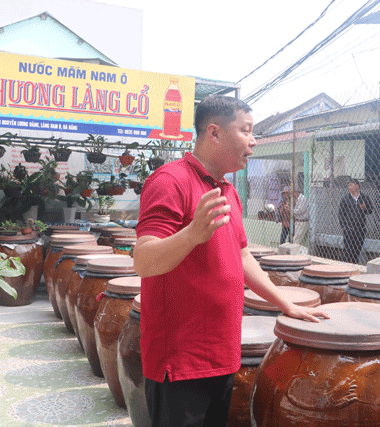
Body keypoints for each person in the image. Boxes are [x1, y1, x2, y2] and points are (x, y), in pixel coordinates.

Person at [133, 95, 328, 427]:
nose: (253, 140)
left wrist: (284, 303)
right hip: (181, 362)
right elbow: (144, 260)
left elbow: (241, 255)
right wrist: (192, 234)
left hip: (222, 355)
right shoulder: (170, 182)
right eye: (246, 130)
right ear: (215, 133)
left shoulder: (228, 191)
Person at [338, 179, 373, 264]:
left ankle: (354, 267)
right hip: (349, 229)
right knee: (348, 252)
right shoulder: (345, 199)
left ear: (357, 186)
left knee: (356, 252)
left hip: (360, 230)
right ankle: (347, 268)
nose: (349, 187)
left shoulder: (364, 198)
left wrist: (364, 208)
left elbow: (370, 211)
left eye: (351, 185)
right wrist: (344, 227)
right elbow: (341, 214)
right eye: (348, 185)